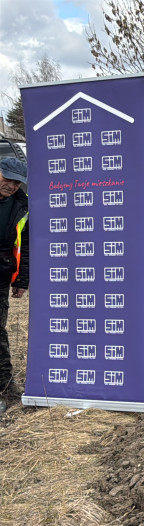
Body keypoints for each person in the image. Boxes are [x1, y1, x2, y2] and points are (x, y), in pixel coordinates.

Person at [0, 157, 29, 415]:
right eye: (7, 179)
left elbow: (25, 245)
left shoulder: (22, 205)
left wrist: (21, 280)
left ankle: (6, 386)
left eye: (16, 183)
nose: (11, 185)